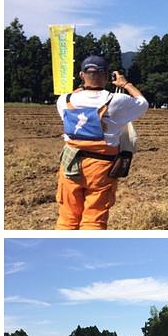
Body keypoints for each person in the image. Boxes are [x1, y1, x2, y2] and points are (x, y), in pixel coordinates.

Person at [55, 55, 148, 230]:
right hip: (101, 166)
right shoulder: (116, 101)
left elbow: (75, 96)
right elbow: (143, 103)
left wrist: (83, 85)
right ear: (106, 76)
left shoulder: (64, 100)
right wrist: (125, 84)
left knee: (67, 217)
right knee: (94, 218)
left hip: (69, 162)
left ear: (82, 75)